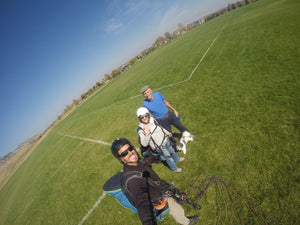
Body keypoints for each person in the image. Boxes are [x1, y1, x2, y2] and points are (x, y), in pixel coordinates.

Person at [111, 137, 199, 225]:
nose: (130, 153)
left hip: (160, 189)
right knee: (176, 209)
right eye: (124, 153)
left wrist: (153, 159)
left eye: (129, 149)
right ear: (121, 159)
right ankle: (186, 222)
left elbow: (144, 162)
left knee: (177, 199)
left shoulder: (136, 162)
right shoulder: (132, 181)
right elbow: (143, 205)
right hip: (158, 198)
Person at [140, 86, 194, 151]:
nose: (147, 94)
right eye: (145, 93)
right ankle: (177, 146)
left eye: (148, 92)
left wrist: (174, 110)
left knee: (180, 126)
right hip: (161, 121)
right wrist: (149, 125)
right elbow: (149, 115)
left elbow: (165, 102)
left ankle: (188, 135)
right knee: (169, 135)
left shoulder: (157, 94)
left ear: (151, 91)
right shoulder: (145, 104)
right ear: (144, 95)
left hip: (170, 115)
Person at [136, 107, 184, 172]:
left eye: (145, 116)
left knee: (172, 150)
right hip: (159, 146)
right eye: (142, 117)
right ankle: (174, 168)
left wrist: (167, 133)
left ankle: (177, 159)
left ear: (148, 115)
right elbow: (144, 144)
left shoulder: (152, 120)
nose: (144, 118)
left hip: (165, 140)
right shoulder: (141, 130)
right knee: (168, 157)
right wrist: (147, 134)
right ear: (140, 118)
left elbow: (160, 127)